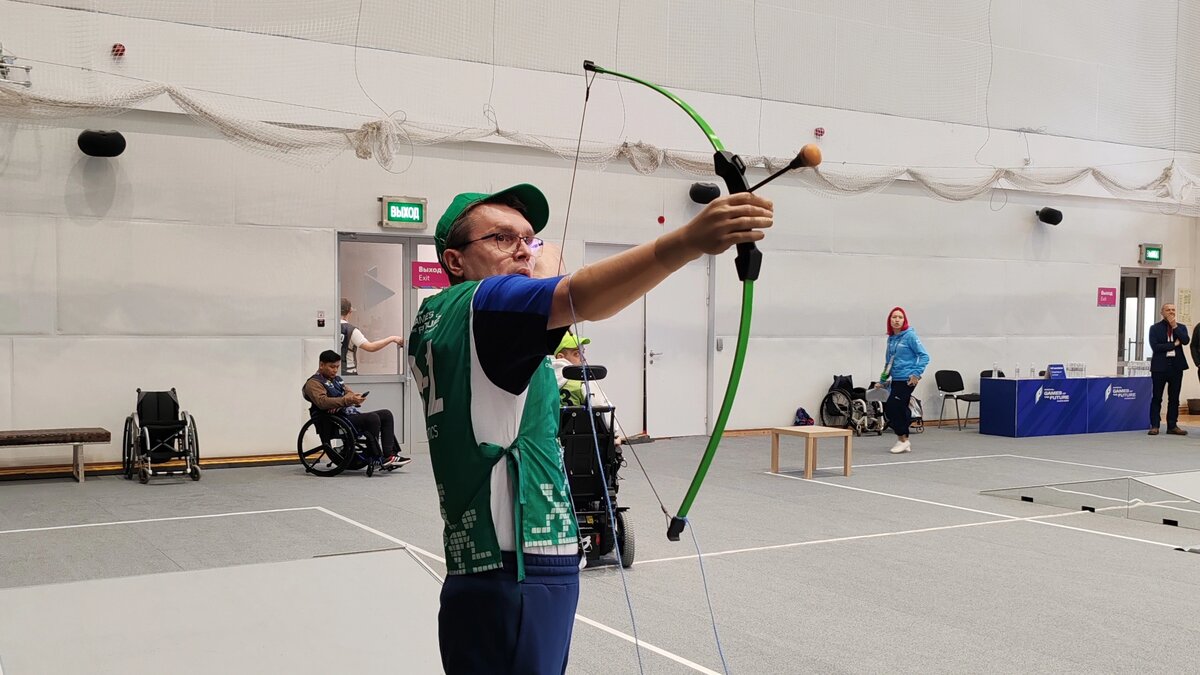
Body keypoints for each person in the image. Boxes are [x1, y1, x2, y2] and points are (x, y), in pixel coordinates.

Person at [407, 183, 772, 674]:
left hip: (476, 559)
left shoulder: (436, 317)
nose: (522, 249)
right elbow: (578, 295)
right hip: (523, 561)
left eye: (528, 238)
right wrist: (688, 241)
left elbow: (548, 265)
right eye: (501, 238)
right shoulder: (489, 304)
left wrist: (526, 252)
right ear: (455, 261)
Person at [303, 350, 411, 467]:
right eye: (332, 367)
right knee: (372, 418)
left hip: (347, 415)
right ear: (322, 365)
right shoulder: (313, 383)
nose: (335, 370)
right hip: (332, 422)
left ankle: (390, 455)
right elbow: (323, 402)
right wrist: (345, 400)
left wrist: (347, 400)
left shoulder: (337, 380)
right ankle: (375, 456)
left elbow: (349, 393)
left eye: (337, 367)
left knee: (386, 414)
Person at [875, 307, 930, 454]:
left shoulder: (910, 336)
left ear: (904, 320)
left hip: (908, 379)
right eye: (894, 317)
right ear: (890, 321)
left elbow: (924, 356)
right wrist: (883, 380)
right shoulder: (891, 339)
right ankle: (904, 436)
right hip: (895, 378)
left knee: (892, 407)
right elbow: (889, 362)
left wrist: (916, 374)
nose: (897, 320)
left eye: (900, 317)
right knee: (899, 408)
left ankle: (902, 440)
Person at [1148, 302, 1189, 436]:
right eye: (1168, 310)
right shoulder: (1155, 328)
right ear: (1162, 312)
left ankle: (1172, 425)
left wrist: (1174, 326)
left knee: (1174, 397)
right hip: (1160, 367)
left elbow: (1185, 340)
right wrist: (1173, 345)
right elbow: (1156, 347)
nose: (1171, 312)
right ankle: (1155, 425)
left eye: (1173, 310)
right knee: (1157, 397)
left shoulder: (1181, 327)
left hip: (1176, 367)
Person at [339, 298, 404, 376]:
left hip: (329, 373)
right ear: (350, 311)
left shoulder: (329, 329)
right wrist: (392, 338)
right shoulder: (351, 330)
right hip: (348, 372)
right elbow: (371, 347)